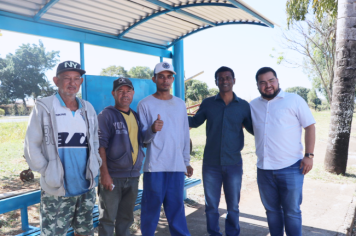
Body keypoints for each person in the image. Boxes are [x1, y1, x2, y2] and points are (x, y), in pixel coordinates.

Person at [24, 60, 102, 236]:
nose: (72, 82)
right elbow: (31, 144)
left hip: (86, 187)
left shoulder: (87, 108)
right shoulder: (44, 106)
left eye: (76, 78)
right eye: (66, 78)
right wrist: (47, 170)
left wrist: (96, 162)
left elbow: (95, 141)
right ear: (55, 80)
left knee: (85, 232)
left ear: (81, 82)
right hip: (57, 188)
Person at [250, 67, 315, 236]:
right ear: (257, 85)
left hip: (291, 167)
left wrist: (309, 156)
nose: (268, 85)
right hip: (264, 169)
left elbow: (310, 126)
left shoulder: (294, 100)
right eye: (262, 82)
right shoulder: (253, 105)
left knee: (292, 211)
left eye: (271, 80)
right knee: (271, 211)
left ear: (277, 80)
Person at [188, 66, 253, 236]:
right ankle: (213, 233)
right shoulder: (208, 103)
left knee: (233, 206)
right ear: (216, 81)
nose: (224, 81)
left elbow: (255, 129)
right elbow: (195, 122)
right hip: (211, 164)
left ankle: (232, 233)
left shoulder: (244, 106)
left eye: (227, 77)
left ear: (234, 80)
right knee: (211, 205)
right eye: (220, 78)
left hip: (233, 163)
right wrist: (173, 113)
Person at [137, 61, 193, 236]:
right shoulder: (145, 104)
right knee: (150, 211)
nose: (165, 80)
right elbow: (142, 139)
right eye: (161, 77)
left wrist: (186, 162)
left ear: (173, 79)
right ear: (154, 79)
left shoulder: (180, 104)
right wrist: (153, 129)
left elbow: (184, 135)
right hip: (155, 167)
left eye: (169, 77)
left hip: (176, 166)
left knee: (177, 211)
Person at [97, 77, 145, 236]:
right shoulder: (106, 115)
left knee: (126, 218)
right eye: (121, 91)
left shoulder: (135, 116)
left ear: (133, 93)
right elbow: (100, 146)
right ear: (113, 93)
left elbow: (140, 141)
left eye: (128, 91)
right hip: (112, 177)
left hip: (132, 177)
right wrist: (105, 174)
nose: (125, 94)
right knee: (108, 219)